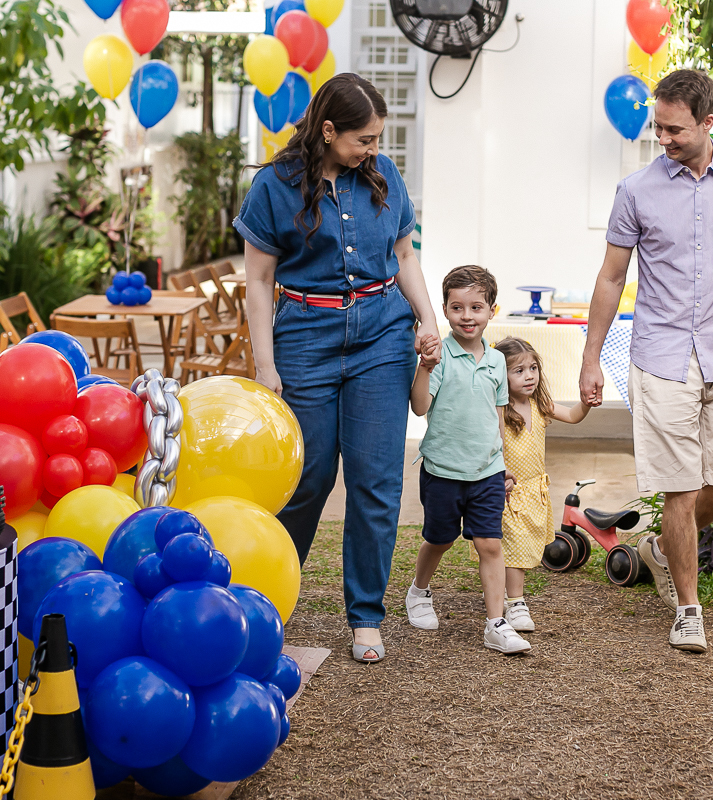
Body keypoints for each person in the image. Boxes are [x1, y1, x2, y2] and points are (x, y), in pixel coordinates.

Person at [578, 69, 713, 654]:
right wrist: (591, 358)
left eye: (674, 129)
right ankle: (689, 607)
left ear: (708, 122)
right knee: (680, 487)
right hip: (660, 356)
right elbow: (611, 278)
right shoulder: (636, 191)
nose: (663, 138)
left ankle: (657, 547)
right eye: (658, 127)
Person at [236, 74, 441, 665]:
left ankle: (366, 616)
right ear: (328, 131)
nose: (373, 149)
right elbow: (257, 280)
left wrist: (428, 321)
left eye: (378, 138)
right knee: (306, 477)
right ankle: (268, 599)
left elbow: (405, 255)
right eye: (363, 139)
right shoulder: (275, 187)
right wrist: (265, 364)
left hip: (381, 334)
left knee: (377, 480)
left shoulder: (383, 177)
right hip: (305, 337)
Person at [404, 266, 531, 654]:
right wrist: (425, 368)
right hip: (443, 471)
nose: (467, 316)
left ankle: (495, 622)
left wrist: (503, 462)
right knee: (438, 539)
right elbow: (420, 406)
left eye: (476, 307)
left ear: (492, 310)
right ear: (444, 310)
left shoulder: (496, 362)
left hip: (487, 472)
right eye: (457, 307)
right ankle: (419, 591)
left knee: (490, 545)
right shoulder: (439, 357)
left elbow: (495, 417)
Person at [493, 337, 590, 632]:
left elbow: (573, 416)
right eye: (519, 371)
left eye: (533, 368)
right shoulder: (500, 410)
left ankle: (504, 597)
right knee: (514, 548)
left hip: (534, 490)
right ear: (500, 375)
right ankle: (516, 602)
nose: (529, 376)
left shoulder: (540, 405)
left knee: (520, 548)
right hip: (509, 491)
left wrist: (587, 400)